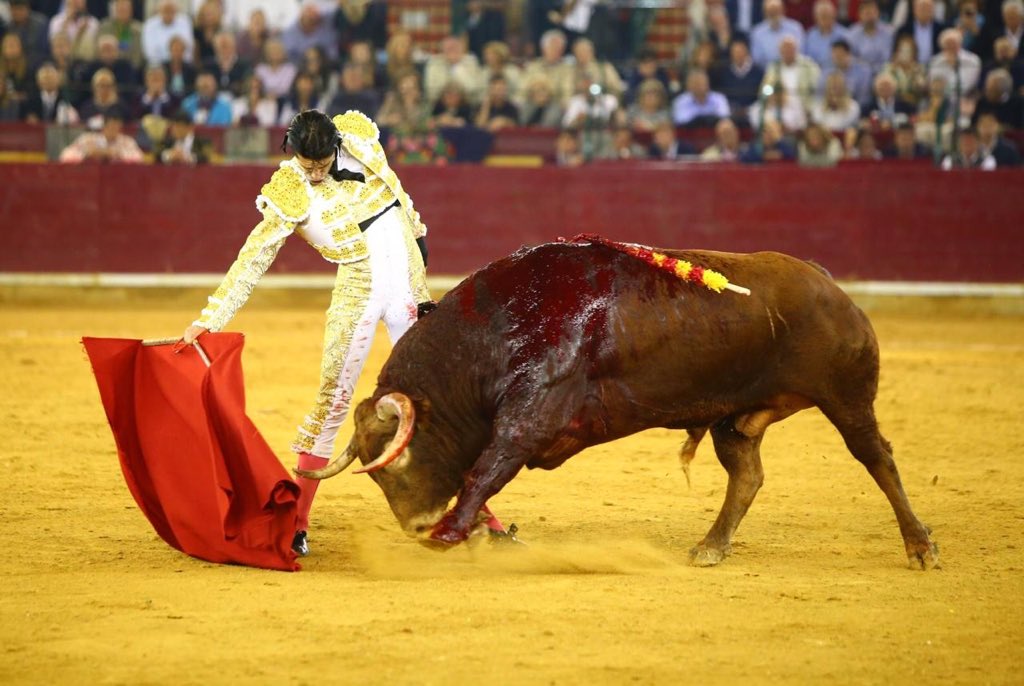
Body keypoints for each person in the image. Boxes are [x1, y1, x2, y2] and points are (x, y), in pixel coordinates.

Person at [179, 109, 437, 557]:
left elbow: (393, 185)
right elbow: (253, 257)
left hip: (408, 284)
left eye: (321, 162)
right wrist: (211, 317)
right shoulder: (289, 190)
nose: (316, 172)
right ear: (291, 152)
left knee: (440, 400)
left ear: (335, 145)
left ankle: (477, 515)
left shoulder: (358, 137)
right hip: (358, 290)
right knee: (332, 403)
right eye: (307, 163)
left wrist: (415, 229)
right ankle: (297, 523)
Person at [58, 105, 143, 162]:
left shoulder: (127, 142)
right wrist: (86, 153)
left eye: (117, 127)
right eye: (111, 126)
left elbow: (139, 158)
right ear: (104, 126)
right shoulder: (88, 139)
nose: (113, 130)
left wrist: (117, 154)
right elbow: (64, 156)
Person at [712, 36, 766, 123]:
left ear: (747, 52)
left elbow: (763, 94)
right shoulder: (723, 72)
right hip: (730, 110)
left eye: (740, 51)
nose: (738, 55)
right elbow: (721, 94)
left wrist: (749, 109)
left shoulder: (758, 72)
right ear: (731, 54)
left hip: (753, 110)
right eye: (735, 52)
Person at [750, 0, 807, 67]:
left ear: (783, 11)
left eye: (776, 11)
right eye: (770, 12)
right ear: (765, 13)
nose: (773, 15)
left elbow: (802, 53)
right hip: (767, 73)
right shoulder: (757, 33)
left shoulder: (795, 28)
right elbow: (757, 59)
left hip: (794, 69)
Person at [848, 0, 896, 75]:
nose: (870, 17)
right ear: (860, 15)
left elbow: (888, 58)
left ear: (878, 13)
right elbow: (851, 59)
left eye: (873, 13)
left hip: (883, 73)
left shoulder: (888, 32)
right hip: (861, 75)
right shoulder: (853, 34)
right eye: (867, 13)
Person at [143, 0, 194, 67]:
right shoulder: (150, 25)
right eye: (165, 11)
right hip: (159, 65)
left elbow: (189, 48)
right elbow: (150, 52)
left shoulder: (185, 22)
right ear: (159, 10)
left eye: (171, 11)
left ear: (176, 10)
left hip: (182, 64)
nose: (168, 14)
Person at [893, 0, 947, 64]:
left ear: (933, 9)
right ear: (914, 9)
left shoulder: (942, 30)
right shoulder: (904, 30)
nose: (924, 11)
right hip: (911, 68)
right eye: (921, 7)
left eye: (927, 7)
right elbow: (896, 53)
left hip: (935, 68)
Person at [97, 0, 144, 70]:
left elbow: (137, 57)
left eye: (125, 8)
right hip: (105, 67)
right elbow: (98, 51)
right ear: (114, 9)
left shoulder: (138, 30)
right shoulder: (105, 27)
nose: (122, 10)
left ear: (131, 10)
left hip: (129, 70)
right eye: (120, 8)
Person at [804, 0, 851, 69]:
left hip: (837, 73)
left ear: (834, 15)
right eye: (822, 16)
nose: (825, 19)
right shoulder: (810, 36)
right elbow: (806, 60)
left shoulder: (844, 35)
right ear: (816, 18)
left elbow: (849, 59)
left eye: (828, 16)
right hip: (815, 73)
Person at [7, 0, 52, 67]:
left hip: (37, 63)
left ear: (28, 9)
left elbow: (43, 51)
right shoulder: (9, 27)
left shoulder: (40, 24)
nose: (17, 13)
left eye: (20, 9)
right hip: (15, 64)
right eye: (14, 10)